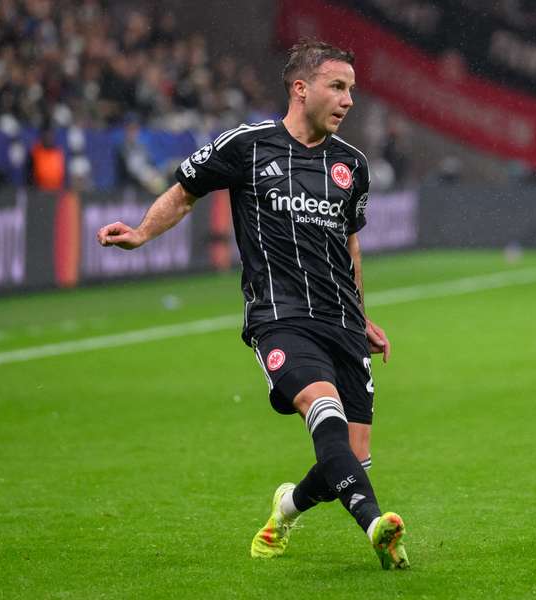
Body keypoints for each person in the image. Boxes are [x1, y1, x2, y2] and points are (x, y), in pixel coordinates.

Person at [96, 40, 409, 570]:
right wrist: (142, 232)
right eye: (337, 87)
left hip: (341, 320)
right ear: (300, 88)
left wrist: (362, 315)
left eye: (351, 89)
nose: (348, 100)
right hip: (280, 318)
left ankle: (284, 510)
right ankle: (377, 526)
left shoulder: (352, 165)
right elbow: (185, 191)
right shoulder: (248, 145)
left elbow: (349, 245)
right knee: (323, 411)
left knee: (354, 460)